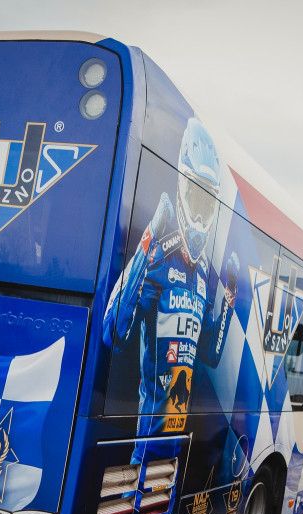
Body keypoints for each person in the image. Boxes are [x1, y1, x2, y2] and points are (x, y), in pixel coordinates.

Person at [103, 117, 239, 464]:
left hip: (177, 448)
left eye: (209, 203)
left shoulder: (204, 276)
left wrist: (227, 301)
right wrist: (146, 246)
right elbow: (113, 334)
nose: (201, 211)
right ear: (181, 187)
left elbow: (209, 354)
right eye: (196, 197)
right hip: (146, 447)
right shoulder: (160, 257)